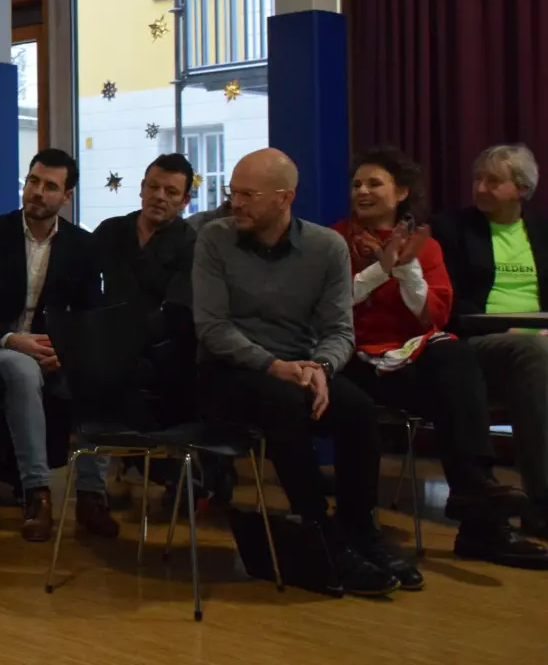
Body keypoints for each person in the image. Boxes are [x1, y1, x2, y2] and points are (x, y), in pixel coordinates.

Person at [193, 148, 415, 597]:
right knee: (284, 403)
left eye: (247, 195)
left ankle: (359, 528)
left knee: (358, 409)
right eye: (232, 192)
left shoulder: (324, 247)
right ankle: (320, 533)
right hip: (231, 371)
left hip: (302, 366)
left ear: (284, 197)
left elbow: (339, 329)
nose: (235, 203)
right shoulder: (214, 240)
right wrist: (274, 366)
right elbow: (212, 328)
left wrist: (321, 367)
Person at [333, 147, 545, 568]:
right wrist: (381, 268)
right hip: (355, 360)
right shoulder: (333, 240)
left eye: (375, 183)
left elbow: (434, 315)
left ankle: (476, 496)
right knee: (455, 369)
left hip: (413, 357)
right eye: (357, 184)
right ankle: (483, 514)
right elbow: (332, 306)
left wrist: (407, 267)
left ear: (401, 192)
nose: (363, 191)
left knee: (451, 355)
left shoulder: (424, 246)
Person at [0, 149, 104, 542]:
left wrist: (66, 349)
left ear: (66, 196)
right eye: (33, 182)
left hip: (53, 350)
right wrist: (12, 340)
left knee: (98, 374)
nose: (37, 193)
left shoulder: (82, 246)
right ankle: (37, 493)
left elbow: (88, 313)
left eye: (50, 187)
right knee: (24, 371)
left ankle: (93, 495)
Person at [432, 144, 548, 538]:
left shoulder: (542, 230)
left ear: (521, 187)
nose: (480, 188)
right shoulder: (452, 229)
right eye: (477, 180)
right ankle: (541, 504)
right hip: (477, 346)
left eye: (493, 181)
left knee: (537, 350)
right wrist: (503, 332)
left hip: (538, 345)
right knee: (532, 351)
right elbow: (449, 302)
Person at [89, 154, 203, 507]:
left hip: (164, 351)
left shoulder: (191, 243)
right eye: (153, 187)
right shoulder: (110, 231)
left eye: (171, 192)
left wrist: (123, 338)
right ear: (141, 189)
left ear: (185, 201)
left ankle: (157, 469)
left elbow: (177, 312)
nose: (159, 196)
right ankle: (106, 481)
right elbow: (82, 287)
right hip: (107, 344)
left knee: (125, 375)